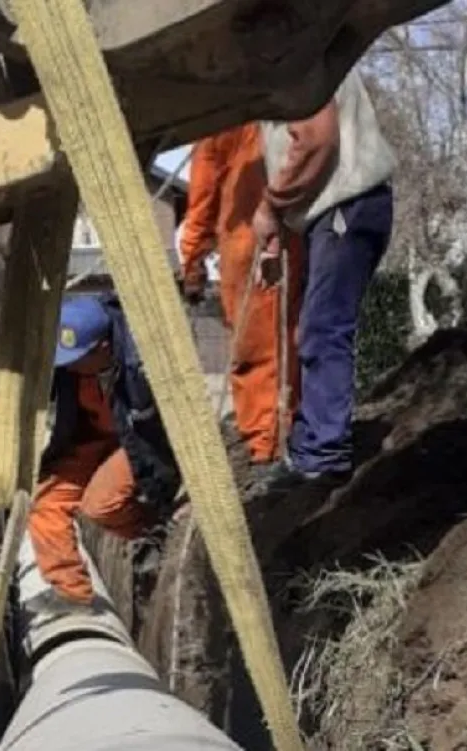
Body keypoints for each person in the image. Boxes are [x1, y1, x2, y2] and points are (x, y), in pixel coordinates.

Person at [0, 294, 182, 606]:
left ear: (103, 348)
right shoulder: (68, 364)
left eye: (76, 359)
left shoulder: (142, 362)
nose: (68, 366)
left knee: (100, 504)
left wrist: (161, 487)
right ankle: (73, 597)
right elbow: (10, 401)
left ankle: (156, 534)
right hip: (93, 437)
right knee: (45, 503)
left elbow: (163, 436)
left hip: (140, 441)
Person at [252, 67, 397, 492]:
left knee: (323, 329)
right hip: (341, 209)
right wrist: (278, 228)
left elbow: (316, 139)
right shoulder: (308, 50)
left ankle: (322, 456)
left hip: (343, 207)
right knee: (318, 326)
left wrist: (270, 205)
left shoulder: (291, 58)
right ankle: (315, 444)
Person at [178, 123, 302, 467]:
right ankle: (299, 430)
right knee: (294, 337)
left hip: (248, 238)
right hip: (297, 233)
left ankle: (269, 447)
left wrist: (192, 261)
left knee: (255, 348)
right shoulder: (285, 105)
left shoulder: (223, 118)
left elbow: (203, 193)